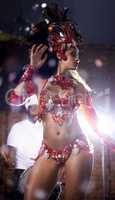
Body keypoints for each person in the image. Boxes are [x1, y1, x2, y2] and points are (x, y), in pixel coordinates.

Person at [6, 3, 115, 200]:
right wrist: (30, 69)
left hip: (78, 148)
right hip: (48, 151)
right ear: (60, 52)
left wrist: (108, 139)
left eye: (78, 54)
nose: (77, 58)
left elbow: (91, 118)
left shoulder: (80, 87)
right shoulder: (40, 83)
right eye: (73, 53)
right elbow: (14, 99)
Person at [0, 94, 43, 199]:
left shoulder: (45, 127)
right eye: (33, 107)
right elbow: (12, 152)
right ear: (27, 109)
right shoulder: (17, 127)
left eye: (38, 108)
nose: (36, 111)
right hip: (20, 171)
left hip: (41, 171)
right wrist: (9, 160)